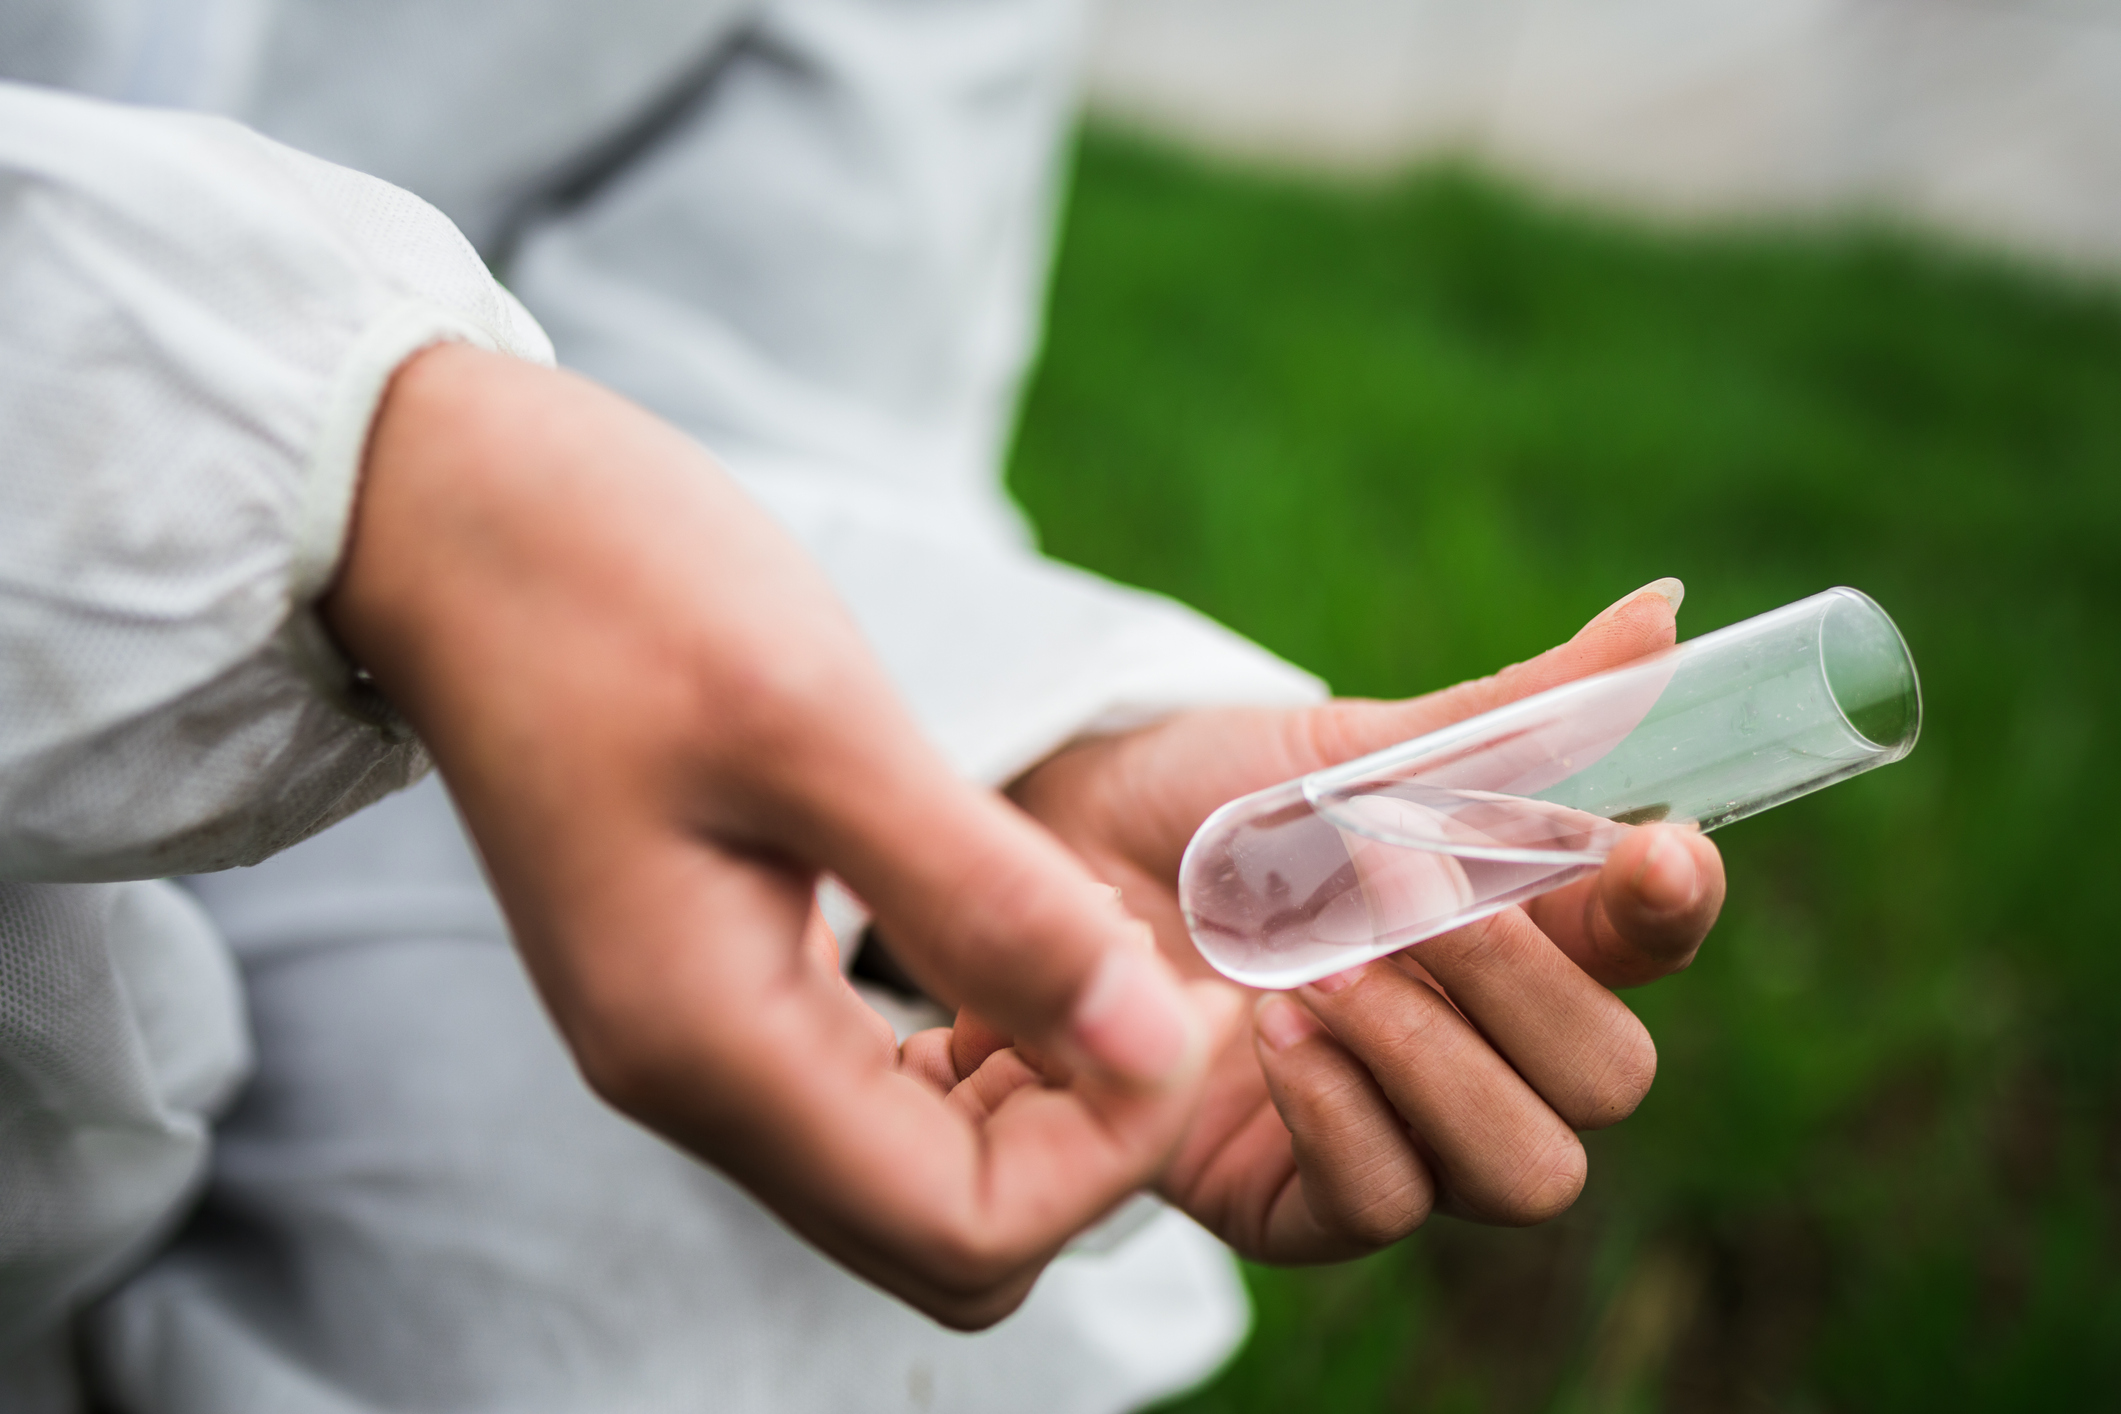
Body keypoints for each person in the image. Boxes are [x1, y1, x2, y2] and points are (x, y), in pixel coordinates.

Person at [0, 3, 1726, 1410]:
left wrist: (1004, 769)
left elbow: (790, 392)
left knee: (720, 1327)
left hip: (434, 733)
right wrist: (388, 488)